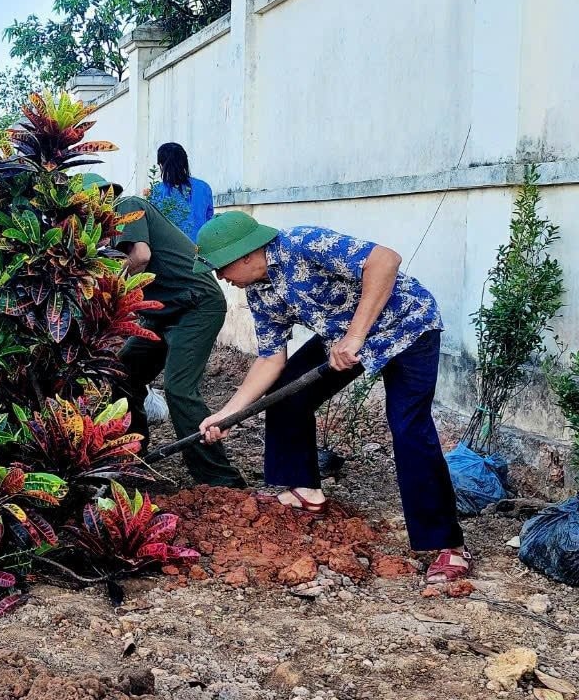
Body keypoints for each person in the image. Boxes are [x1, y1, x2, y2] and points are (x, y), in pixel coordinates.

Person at [195, 211, 469, 584]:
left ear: (245, 255)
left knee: (408, 427)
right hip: (344, 339)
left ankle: (447, 546)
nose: (222, 279)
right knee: (287, 394)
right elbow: (270, 358)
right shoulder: (261, 292)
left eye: (221, 269)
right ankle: (305, 490)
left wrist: (355, 336)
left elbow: (385, 260)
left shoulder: (303, 243)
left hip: (406, 327)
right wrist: (227, 414)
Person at [85, 174, 245, 488]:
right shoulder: (110, 237)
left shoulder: (127, 206)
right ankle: (133, 454)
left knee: (179, 389)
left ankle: (219, 479)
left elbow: (141, 257)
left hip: (196, 305)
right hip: (164, 311)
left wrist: (109, 289)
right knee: (122, 372)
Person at [150, 142, 214, 242]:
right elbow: (209, 222)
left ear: (161, 165)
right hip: (200, 249)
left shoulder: (156, 192)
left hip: (169, 250)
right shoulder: (203, 187)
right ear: (185, 162)